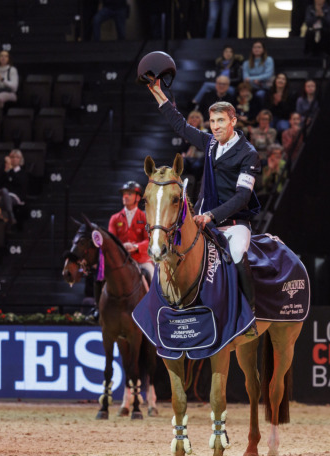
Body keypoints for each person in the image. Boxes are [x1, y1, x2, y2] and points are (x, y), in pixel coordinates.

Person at [147, 77, 261, 336]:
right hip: (201, 218)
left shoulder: (248, 154)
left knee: (238, 254)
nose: (216, 126)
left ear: (233, 121)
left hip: (233, 223)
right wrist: (157, 93)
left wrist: (212, 215)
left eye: (221, 121)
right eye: (212, 122)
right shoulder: (210, 143)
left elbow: (243, 197)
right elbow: (181, 126)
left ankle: (249, 316)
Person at [108, 181, 154, 281]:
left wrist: (136, 247)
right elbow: (110, 240)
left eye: (129, 194)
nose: (125, 196)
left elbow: (149, 240)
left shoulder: (145, 217)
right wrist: (122, 246)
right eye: (124, 194)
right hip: (121, 259)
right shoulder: (114, 218)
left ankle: (154, 296)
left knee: (153, 274)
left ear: (137, 197)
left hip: (141, 259)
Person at [190, 45, 243, 109]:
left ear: (233, 54)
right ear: (223, 53)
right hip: (219, 83)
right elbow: (216, 77)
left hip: (230, 85)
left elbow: (239, 79)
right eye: (226, 51)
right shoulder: (219, 64)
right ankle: (195, 103)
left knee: (231, 90)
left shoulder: (236, 64)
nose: (228, 53)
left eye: (230, 52)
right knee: (207, 85)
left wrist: (227, 81)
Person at [0, 149, 27, 227]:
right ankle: (11, 217)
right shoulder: (4, 171)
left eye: (17, 157)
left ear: (20, 159)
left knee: (1, 199)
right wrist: (6, 171)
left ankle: (6, 220)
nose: (14, 159)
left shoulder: (23, 173)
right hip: (2, 192)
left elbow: (18, 184)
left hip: (15, 195)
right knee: (3, 191)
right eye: (12, 157)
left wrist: (10, 172)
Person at [257, 143, 286, 207]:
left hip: (281, 192)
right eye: (276, 154)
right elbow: (264, 183)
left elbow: (285, 178)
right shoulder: (266, 166)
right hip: (268, 193)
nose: (278, 156)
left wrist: (277, 169)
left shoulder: (283, 164)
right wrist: (270, 169)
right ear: (270, 155)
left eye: (280, 154)